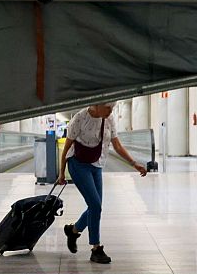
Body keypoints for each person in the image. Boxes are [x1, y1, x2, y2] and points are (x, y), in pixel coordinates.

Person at [57, 103, 148, 263]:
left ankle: (73, 230)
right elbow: (67, 148)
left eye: (112, 108)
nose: (110, 111)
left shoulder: (109, 119)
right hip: (78, 164)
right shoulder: (80, 118)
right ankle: (96, 248)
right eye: (108, 107)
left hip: (97, 163)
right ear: (97, 104)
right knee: (95, 205)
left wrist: (134, 164)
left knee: (96, 207)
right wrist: (61, 173)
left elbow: (117, 145)